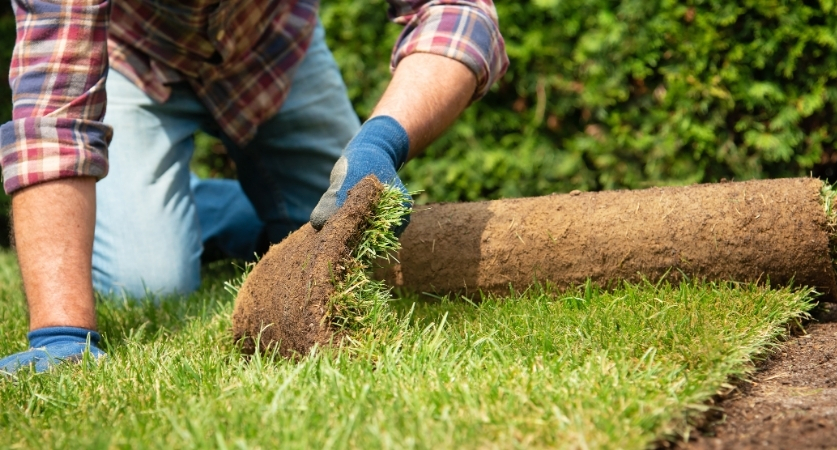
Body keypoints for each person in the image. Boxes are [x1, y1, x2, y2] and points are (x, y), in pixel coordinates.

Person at [0, 0, 508, 373]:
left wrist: (381, 143)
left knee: (361, 246)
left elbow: (460, 13)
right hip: (133, 60)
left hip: (274, 50)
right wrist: (60, 331)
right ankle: (172, 208)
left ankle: (201, 206)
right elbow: (52, 113)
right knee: (147, 280)